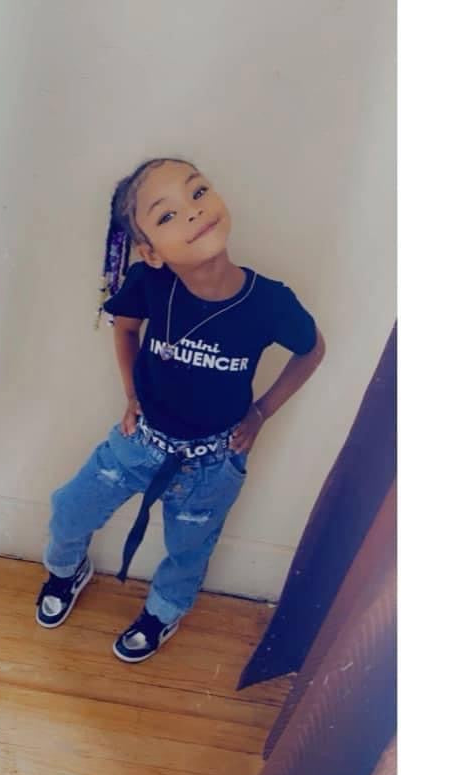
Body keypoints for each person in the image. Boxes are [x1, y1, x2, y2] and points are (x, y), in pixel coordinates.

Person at [36, 157, 325, 663]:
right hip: (139, 442)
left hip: (211, 465)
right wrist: (131, 394)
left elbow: (312, 349)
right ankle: (65, 571)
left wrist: (261, 413)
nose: (192, 211)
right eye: (166, 215)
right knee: (70, 509)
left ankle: (162, 612)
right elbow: (125, 327)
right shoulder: (150, 284)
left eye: (198, 192)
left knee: (189, 550)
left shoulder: (271, 302)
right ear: (149, 251)